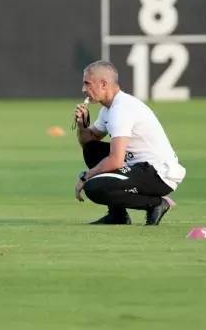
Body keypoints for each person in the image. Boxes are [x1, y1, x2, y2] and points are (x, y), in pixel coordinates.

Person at [73, 60, 186, 226]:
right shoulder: (108, 109)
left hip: (158, 174)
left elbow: (116, 160)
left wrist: (85, 177)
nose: (84, 89)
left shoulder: (121, 110)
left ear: (103, 84)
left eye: (87, 84)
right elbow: (89, 142)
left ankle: (156, 204)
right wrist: (82, 125)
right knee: (92, 150)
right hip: (139, 167)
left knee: (94, 188)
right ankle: (117, 215)